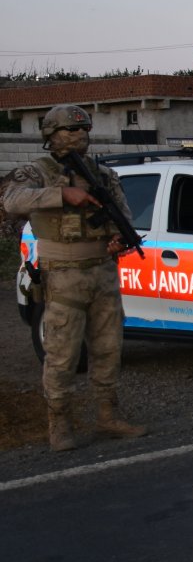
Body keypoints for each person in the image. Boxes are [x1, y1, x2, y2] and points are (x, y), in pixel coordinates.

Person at [3, 104, 148, 451]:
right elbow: (11, 200)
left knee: (108, 349)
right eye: (70, 130)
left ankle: (107, 414)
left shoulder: (103, 174)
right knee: (63, 354)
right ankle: (60, 424)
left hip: (102, 272)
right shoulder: (36, 172)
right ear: (51, 136)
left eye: (83, 130)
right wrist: (61, 195)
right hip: (63, 275)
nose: (80, 136)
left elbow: (123, 215)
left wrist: (119, 238)